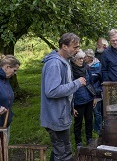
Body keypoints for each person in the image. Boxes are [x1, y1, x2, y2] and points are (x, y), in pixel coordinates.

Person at [40, 33, 85, 161]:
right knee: (64, 154)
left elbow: (64, 89)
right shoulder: (54, 64)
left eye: (78, 47)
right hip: (55, 118)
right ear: (64, 46)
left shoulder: (65, 61)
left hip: (61, 114)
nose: (77, 50)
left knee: (58, 151)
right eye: (74, 47)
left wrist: (70, 108)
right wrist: (77, 83)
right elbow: (52, 91)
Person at [71, 50, 95, 147]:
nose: (81, 60)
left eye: (82, 58)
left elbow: (91, 83)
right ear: (74, 60)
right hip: (78, 100)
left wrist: (94, 97)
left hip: (88, 98)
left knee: (89, 120)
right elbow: (69, 89)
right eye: (79, 59)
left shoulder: (87, 67)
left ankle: (89, 139)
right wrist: (71, 106)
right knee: (78, 123)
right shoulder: (70, 71)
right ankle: (78, 142)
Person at [84, 49, 103, 136]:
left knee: (97, 112)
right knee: (88, 113)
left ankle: (98, 129)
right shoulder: (83, 66)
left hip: (97, 92)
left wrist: (97, 91)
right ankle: (90, 129)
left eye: (85, 57)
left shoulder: (98, 66)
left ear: (89, 57)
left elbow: (101, 80)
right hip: (87, 93)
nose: (84, 58)